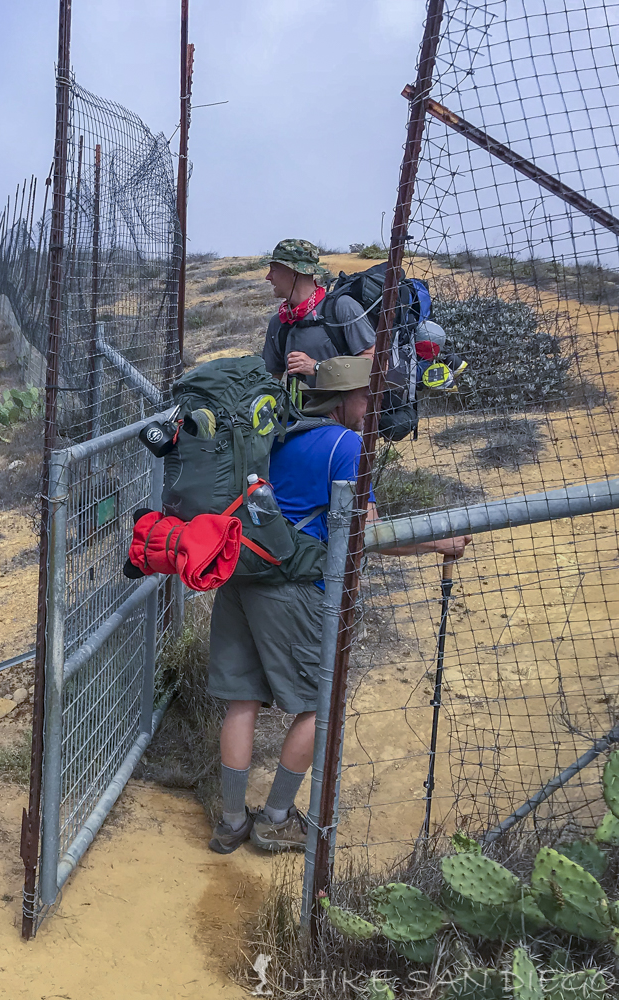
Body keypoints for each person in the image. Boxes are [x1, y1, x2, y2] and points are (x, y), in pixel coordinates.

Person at [207, 356, 471, 854]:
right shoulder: (348, 446)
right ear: (344, 399)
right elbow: (365, 536)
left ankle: (231, 821)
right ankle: (276, 819)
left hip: (241, 575)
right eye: (368, 397)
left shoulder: (276, 434)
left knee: (243, 700)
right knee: (318, 704)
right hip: (295, 590)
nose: (374, 407)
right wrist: (437, 545)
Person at [260, 239, 377, 387]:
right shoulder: (279, 323)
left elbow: (375, 364)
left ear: (294, 272)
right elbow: (271, 381)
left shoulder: (341, 308)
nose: (268, 277)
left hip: (342, 409)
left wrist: (317, 368)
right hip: (298, 410)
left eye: (273, 269)